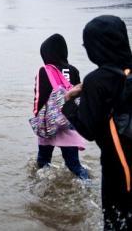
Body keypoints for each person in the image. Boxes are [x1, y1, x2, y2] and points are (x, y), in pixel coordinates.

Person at [63, 15, 132, 230]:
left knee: (114, 221)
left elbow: (88, 129)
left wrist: (69, 101)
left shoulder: (96, 80)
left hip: (117, 167)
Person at [33, 34, 88, 179]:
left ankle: (39, 190)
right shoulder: (74, 70)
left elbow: (39, 96)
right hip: (68, 121)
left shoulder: (43, 70)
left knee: (43, 162)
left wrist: (37, 117)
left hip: (49, 122)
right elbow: (79, 97)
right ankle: (88, 186)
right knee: (74, 165)